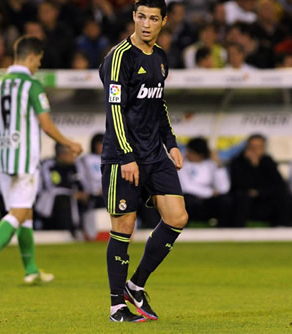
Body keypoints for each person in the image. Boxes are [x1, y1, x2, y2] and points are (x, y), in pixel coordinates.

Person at [0, 36, 83, 285]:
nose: (38, 65)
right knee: (21, 211)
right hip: (25, 159)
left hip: (4, 160)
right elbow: (45, 124)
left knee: (24, 215)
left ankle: (31, 270)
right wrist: (70, 143)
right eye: (38, 60)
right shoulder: (32, 86)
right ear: (30, 57)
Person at [98, 0, 188, 322]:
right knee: (123, 228)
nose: (146, 24)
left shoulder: (161, 58)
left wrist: (172, 144)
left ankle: (135, 285)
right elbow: (115, 111)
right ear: (133, 18)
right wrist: (127, 155)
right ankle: (115, 306)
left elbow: (159, 105)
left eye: (153, 18)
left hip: (155, 156)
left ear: (163, 21)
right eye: (141, 17)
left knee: (177, 217)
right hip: (122, 158)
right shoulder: (119, 58)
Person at [229, 134, 291, 227]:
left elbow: (278, 184)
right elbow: (237, 184)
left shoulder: (268, 161)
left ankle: (281, 229)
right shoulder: (237, 162)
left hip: (265, 200)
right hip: (245, 202)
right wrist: (252, 166)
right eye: (252, 147)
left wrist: (258, 192)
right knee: (241, 198)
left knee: (283, 198)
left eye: (258, 147)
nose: (255, 150)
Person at [36, 143, 87, 237]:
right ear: (62, 154)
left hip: (72, 199)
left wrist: (81, 194)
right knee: (63, 198)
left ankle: (81, 231)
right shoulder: (48, 165)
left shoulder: (75, 166)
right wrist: (71, 193)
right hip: (48, 199)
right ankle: (65, 230)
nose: (73, 157)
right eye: (71, 154)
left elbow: (80, 184)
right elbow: (48, 187)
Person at [178, 137, 231, 227]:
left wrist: (218, 164)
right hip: (191, 201)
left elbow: (224, 188)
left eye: (191, 152)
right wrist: (210, 192)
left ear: (201, 154)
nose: (188, 154)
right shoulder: (182, 163)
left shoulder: (211, 164)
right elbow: (186, 187)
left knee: (225, 200)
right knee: (185, 200)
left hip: (207, 203)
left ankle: (222, 229)